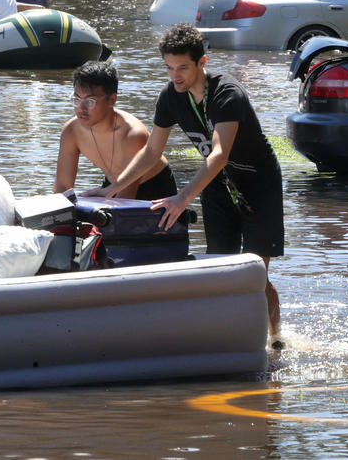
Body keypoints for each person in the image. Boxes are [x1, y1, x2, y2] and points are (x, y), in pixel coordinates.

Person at [85, 23, 284, 345]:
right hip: (218, 186)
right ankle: (230, 338)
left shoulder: (227, 94)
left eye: (182, 68)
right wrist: (113, 187)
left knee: (254, 274)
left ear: (201, 63)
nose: (175, 76)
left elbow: (218, 154)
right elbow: (151, 151)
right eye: (168, 67)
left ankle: (276, 339)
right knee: (221, 270)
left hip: (258, 185)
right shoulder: (170, 96)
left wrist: (181, 198)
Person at [54, 61, 177, 200]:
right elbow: (62, 187)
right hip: (112, 183)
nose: (81, 108)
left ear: (112, 99)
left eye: (90, 101)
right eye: (76, 99)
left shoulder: (132, 133)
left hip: (154, 187)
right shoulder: (71, 130)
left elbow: (126, 197)